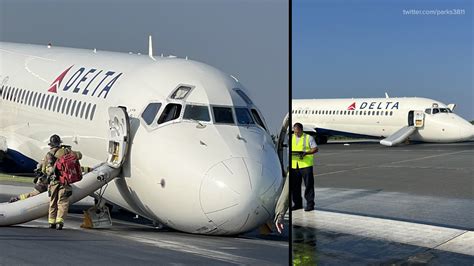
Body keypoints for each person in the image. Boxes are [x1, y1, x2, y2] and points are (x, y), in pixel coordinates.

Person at [43, 134, 82, 230]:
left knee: (53, 202)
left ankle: (51, 222)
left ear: (51, 144)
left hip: (53, 182)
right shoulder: (67, 152)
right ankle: (59, 221)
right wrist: (69, 150)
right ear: (59, 143)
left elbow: (44, 169)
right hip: (65, 182)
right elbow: (79, 155)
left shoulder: (49, 154)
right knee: (63, 202)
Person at [291, 123, 318, 212]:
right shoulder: (291, 137)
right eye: (295, 131)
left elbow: (315, 149)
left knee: (308, 185)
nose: (296, 133)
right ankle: (297, 204)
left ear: (302, 130)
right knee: (295, 186)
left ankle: (310, 204)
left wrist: (306, 153)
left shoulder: (308, 137)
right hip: (294, 165)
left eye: (298, 132)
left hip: (306, 165)